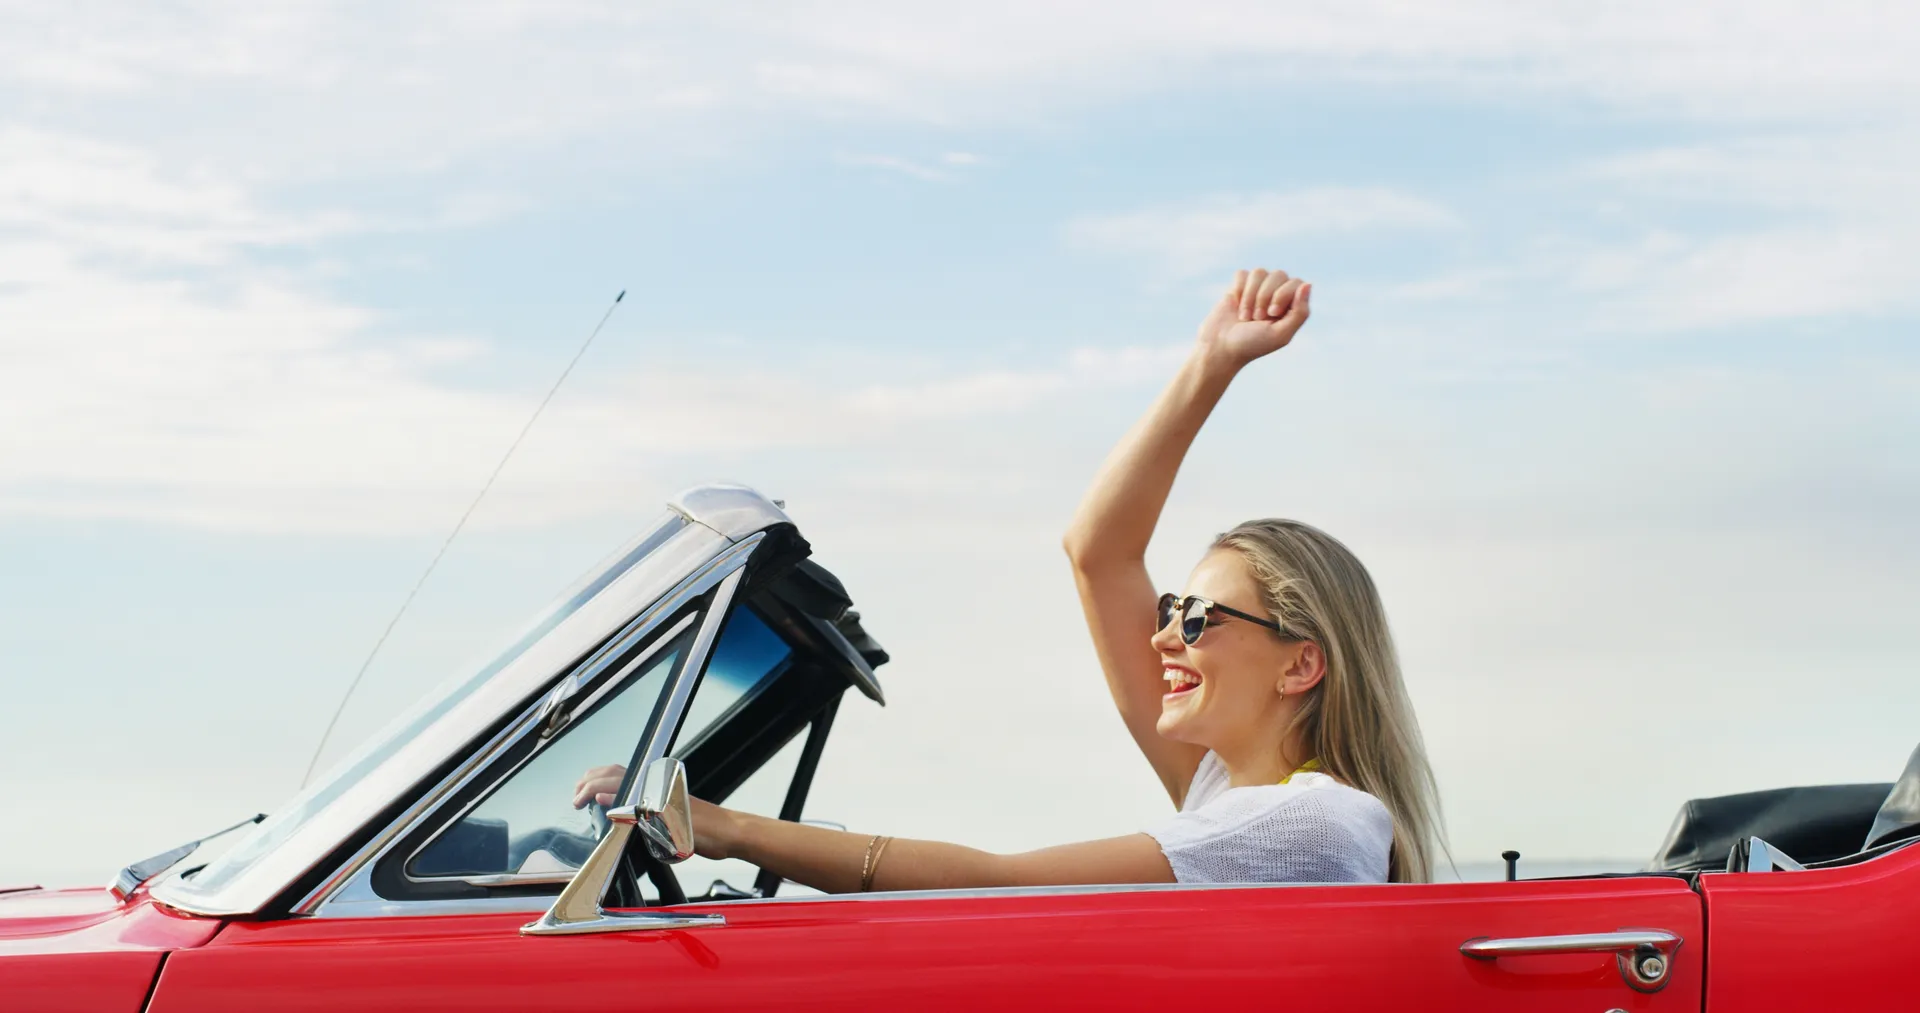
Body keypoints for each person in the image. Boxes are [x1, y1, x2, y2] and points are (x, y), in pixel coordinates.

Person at [575, 267, 1443, 890]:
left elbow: (999, 882)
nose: (1164, 633)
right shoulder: (1226, 791)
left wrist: (722, 825)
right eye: (1173, 609)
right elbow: (1098, 552)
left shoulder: (1306, 823)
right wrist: (1211, 362)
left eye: (1200, 619)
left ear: (1301, 664)